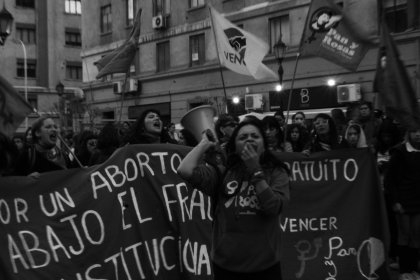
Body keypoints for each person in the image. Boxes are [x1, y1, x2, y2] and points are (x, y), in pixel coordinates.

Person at [177, 118, 290, 280]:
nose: (249, 139)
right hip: (226, 266)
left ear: (264, 146)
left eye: (254, 136)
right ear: (235, 148)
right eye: (242, 137)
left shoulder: (277, 172)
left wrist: (256, 171)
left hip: (265, 265)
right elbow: (184, 169)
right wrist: (203, 144)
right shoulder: (223, 173)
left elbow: (274, 207)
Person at [384, 127, 420, 280]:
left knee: (416, 235)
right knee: (404, 235)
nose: (418, 134)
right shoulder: (399, 151)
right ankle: (404, 270)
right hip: (403, 200)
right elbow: (389, 179)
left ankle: (413, 269)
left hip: (418, 199)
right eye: (414, 131)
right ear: (408, 133)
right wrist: (395, 201)